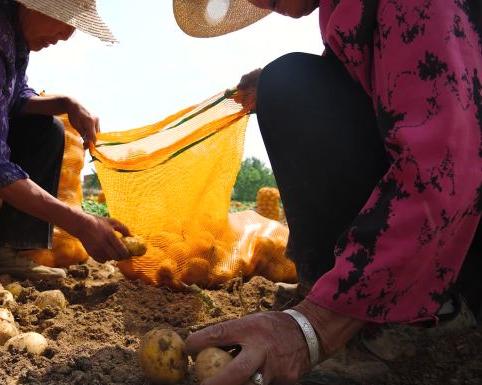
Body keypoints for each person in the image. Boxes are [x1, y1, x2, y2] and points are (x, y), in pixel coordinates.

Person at [173, 0, 482, 384]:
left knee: (290, 81)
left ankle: (433, 316)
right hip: (439, 224)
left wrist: (312, 328)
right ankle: (342, 298)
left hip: (460, 238)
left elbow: (446, 169)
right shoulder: (344, 12)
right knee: (289, 84)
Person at [0, 0, 131, 279]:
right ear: (32, 5)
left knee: (45, 129)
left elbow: (14, 96)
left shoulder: (7, 29)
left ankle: (8, 252)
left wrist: (66, 103)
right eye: (65, 19)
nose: (68, 35)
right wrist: (81, 225)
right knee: (42, 134)